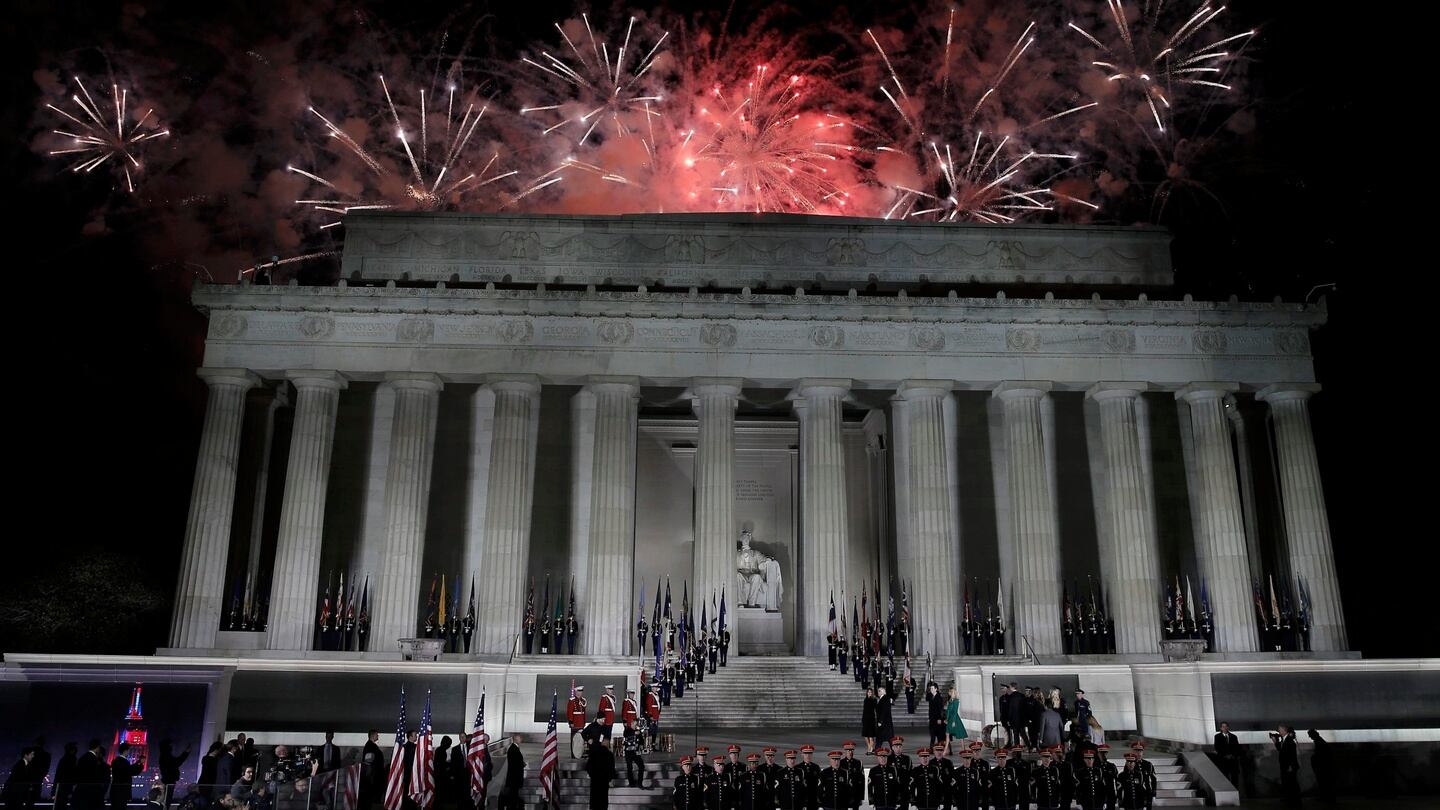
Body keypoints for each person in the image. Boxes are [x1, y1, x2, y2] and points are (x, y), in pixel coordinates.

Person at [73, 742, 108, 810]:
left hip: (81, 790)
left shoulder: (82, 757)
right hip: (92, 792)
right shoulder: (95, 759)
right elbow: (97, 775)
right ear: (97, 748)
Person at [1271, 726, 1300, 807]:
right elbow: (1281, 750)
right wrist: (1275, 741)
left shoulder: (1289, 741)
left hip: (1289, 766)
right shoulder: (1285, 740)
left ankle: (1295, 801)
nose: (1278, 732)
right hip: (1285, 766)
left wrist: (1291, 766)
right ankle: (1291, 800)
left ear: (1284, 731)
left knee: (1292, 784)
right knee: (1288, 784)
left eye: (1279, 731)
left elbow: (1292, 754)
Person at [585, 737, 617, 810]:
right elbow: (612, 769)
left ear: (601, 743)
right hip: (604, 781)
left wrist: (591, 774)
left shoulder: (594, 753)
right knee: (603, 800)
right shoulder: (610, 755)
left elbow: (588, 766)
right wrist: (610, 778)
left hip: (595, 780)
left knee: (594, 800)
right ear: (608, 745)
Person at [111, 745, 143, 810]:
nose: (129, 752)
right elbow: (130, 771)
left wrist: (138, 763)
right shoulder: (124, 762)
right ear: (125, 751)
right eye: (128, 751)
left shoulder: (115, 761)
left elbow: (128, 770)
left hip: (115, 789)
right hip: (123, 790)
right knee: (121, 807)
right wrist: (140, 764)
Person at [497, 735, 524, 810]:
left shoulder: (515, 748)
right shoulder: (513, 749)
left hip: (514, 778)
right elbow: (514, 764)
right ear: (515, 740)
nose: (521, 739)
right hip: (514, 778)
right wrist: (521, 764)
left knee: (514, 796)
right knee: (513, 797)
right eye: (520, 738)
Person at [1308, 729, 1335, 804]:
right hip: (1324, 766)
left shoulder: (1319, 742)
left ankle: (1326, 797)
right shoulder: (1320, 741)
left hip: (1322, 766)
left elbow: (1321, 754)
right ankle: (1327, 797)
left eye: (1310, 735)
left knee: (1323, 782)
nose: (1309, 737)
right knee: (1325, 782)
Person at [1213, 722, 1242, 790]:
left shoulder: (1234, 737)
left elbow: (1237, 748)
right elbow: (1217, 748)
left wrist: (1232, 755)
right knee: (1225, 777)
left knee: (1235, 778)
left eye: (1226, 726)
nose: (1225, 728)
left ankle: (1235, 792)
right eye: (1223, 727)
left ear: (1228, 727)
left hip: (1233, 760)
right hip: (1223, 761)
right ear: (1221, 728)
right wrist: (1225, 755)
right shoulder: (1217, 737)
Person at [359, 731, 383, 809]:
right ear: (372, 735)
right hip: (372, 775)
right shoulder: (370, 746)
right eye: (376, 734)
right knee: (369, 795)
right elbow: (368, 761)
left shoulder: (371, 745)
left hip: (372, 774)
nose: (378, 736)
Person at [54, 743, 79, 810]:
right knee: (63, 804)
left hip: (62, 785)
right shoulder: (71, 760)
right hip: (66, 786)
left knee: (61, 804)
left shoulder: (64, 759)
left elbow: (58, 775)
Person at [838, 743, 862, 810]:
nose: (850, 752)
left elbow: (862, 781)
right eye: (848, 750)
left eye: (852, 750)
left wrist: (861, 797)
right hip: (843, 794)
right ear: (845, 751)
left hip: (855, 794)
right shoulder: (840, 762)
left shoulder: (859, 763)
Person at [622, 721, 645, 788]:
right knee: (629, 767)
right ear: (631, 724)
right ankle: (631, 783)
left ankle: (639, 783)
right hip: (628, 752)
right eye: (633, 724)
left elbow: (641, 740)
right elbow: (625, 734)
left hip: (636, 752)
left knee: (641, 766)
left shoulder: (638, 731)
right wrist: (634, 733)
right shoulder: (627, 730)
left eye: (635, 725)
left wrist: (641, 745)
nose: (634, 726)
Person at [567, 685, 588, 758]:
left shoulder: (583, 700)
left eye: (581, 691)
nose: (579, 693)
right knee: (574, 739)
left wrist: (584, 721)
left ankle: (579, 753)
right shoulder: (572, 700)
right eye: (578, 691)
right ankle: (573, 754)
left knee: (581, 740)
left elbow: (584, 712)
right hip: (575, 723)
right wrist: (571, 722)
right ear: (575, 692)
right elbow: (569, 712)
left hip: (581, 722)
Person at [924, 683, 946, 748]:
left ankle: (939, 748)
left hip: (938, 719)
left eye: (932, 688)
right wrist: (929, 717)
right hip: (932, 719)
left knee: (939, 735)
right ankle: (931, 749)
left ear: (936, 689)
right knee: (932, 735)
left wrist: (939, 718)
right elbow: (930, 708)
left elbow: (940, 709)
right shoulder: (930, 697)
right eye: (930, 688)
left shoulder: (939, 698)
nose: (931, 690)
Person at [861, 688, 879, 752]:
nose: (869, 693)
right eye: (868, 692)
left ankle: (871, 749)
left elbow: (876, 709)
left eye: (870, 692)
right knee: (865, 734)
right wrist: (863, 718)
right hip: (865, 718)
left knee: (871, 735)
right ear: (867, 693)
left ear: (872, 693)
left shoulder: (874, 700)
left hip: (871, 718)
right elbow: (864, 710)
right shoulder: (865, 699)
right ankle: (869, 746)